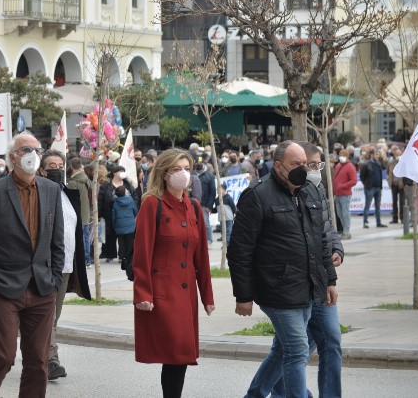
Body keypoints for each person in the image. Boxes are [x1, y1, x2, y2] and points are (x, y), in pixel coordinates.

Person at [228, 141, 338, 398]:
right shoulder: (257, 195)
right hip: (276, 289)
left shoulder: (310, 192)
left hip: (308, 286)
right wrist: (243, 296)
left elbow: (321, 241)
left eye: (305, 163)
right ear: (279, 166)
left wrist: (330, 280)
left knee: (285, 348)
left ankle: (254, 395)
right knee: (298, 348)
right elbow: (239, 250)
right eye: (295, 164)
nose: (303, 169)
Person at [0, 132, 64, 398]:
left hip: (42, 289)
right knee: (2, 358)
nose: (31, 154)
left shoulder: (51, 190)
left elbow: (57, 240)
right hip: (3, 289)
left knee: (38, 363)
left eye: (35, 149)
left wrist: (53, 279)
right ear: (11, 158)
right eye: (24, 149)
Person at [263, 142, 345, 398]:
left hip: (319, 280)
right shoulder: (268, 193)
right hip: (292, 283)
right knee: (291, 349)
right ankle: (273, 392)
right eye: (308, 165)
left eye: (316, 165)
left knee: (330, 341)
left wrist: (337, 250)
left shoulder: (316, 190)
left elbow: (327, 228)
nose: (312, 170)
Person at [132, 148, 214, 398]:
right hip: (163, 291)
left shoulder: (194, 207)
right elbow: (142, 253)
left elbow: (201, 257)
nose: (184, 174)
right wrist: (143, 292)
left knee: (180, 356)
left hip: (186, 291)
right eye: (177, 169)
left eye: (187, 169)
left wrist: (207, 296)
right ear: (164, 174)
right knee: (176, 353)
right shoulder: (152, 204)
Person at [42, 150, 91, 381]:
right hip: (44, 265)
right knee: (47, 315)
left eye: (60, 164)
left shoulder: (68, 193)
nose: (56, 168)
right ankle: (51, 360)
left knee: (55, 315)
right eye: (51, 165)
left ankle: (38, 354)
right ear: (42, 170)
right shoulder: (38, 194)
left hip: (66, 265)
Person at [332, 148, 357, 239]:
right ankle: (343, 230)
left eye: (343, 155)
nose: (341, 157)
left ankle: (346, 231)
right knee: (339, 213)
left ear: (347, 156)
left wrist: (342, 186)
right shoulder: (338, 165)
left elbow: (354, 181)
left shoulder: (350, 167)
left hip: (345, 194)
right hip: (337, 194)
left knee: (345, 213)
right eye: (340, 155)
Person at [358, 148, 386, 228]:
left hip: (378, 188)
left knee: (378, 206)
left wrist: (382, 158)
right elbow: (362, 176)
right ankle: (365, 222)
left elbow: (384, 167)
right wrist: (366, 184)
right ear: (372, 155)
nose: (377, 156)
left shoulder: (379, 163)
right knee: (368, 205)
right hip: (369, 188)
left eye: (378, 154)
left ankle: (378, 222)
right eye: (376, 154)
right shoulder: (366, 164)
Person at [111, 185, 137, 264]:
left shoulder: (115, 202)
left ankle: (121, 257)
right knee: (130, 242)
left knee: (121, 242)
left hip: (119, 226)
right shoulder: (131, 200)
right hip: (130, 225)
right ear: (125, 192)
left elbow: (113, 216)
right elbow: (135, 211)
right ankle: (129, 256)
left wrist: (114, 225)